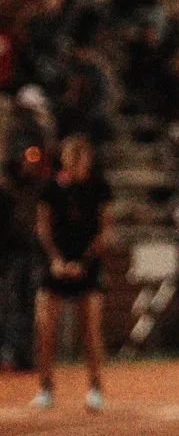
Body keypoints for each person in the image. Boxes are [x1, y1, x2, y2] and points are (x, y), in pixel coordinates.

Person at [32, 134, 111, 410]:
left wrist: (84, 263)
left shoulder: (99, 187)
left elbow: (103, 231)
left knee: (90, 328)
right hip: (56, 265)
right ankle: (45, 387)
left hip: (86, 266)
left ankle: (95, 387)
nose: (78, 162)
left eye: (83, 157)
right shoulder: (50, 188)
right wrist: (56, 260)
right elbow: (43, 228)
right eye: (73, 156)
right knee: (44, 327)